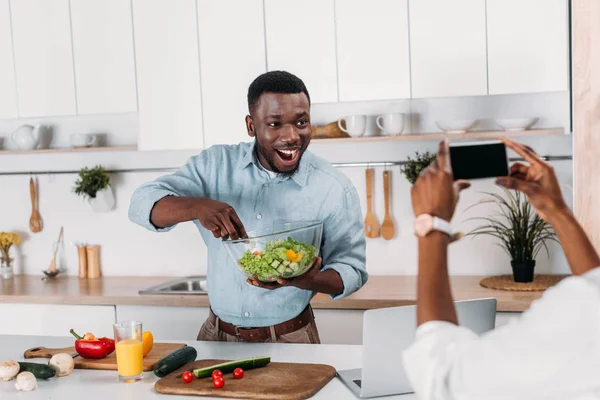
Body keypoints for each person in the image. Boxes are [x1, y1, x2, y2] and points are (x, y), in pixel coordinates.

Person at [128, 71, 368, 344]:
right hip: (216, 336)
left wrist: (304, 280)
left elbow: (352, 270)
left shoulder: (333, 187)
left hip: (291, 337)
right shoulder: (214, 166)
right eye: (275, 124)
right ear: (251, 126)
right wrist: (198, 207)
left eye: (301, 122)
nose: (291, 136)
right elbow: (141, 203)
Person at [402, 138, 600, 399]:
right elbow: (593, 287)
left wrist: (431, 224)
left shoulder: (578, 319)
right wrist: (557, 211)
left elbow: (442, 377)